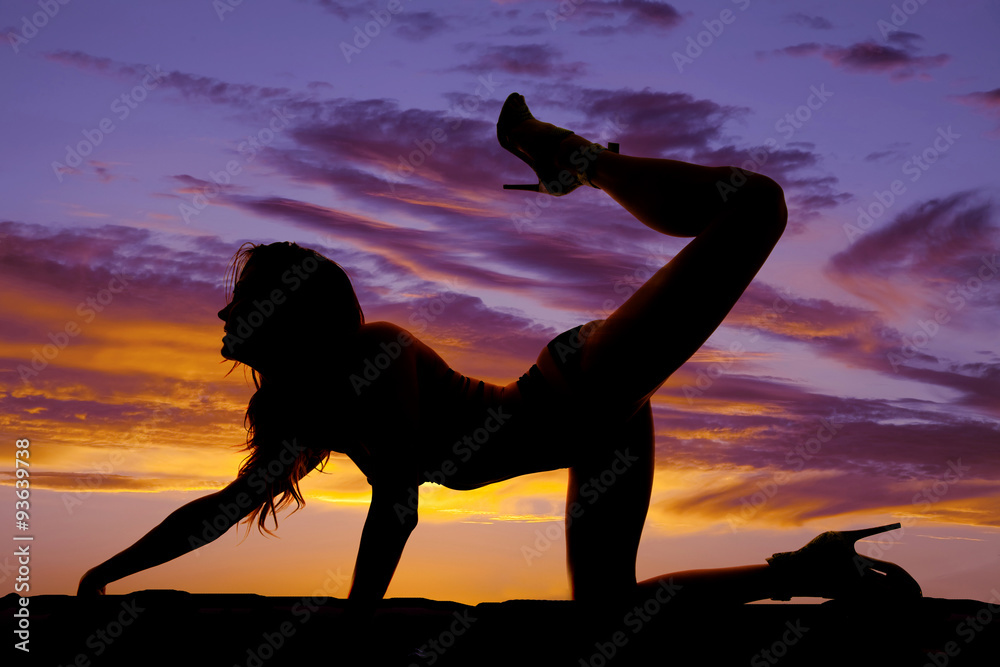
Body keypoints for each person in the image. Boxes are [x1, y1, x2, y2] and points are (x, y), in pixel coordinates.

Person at [77, 92, 920, 608]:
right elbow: (221, 508)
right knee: (610, 613)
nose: (223, 312)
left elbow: (399, 501)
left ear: (285, 315)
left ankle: (574, 159)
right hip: (595, 427)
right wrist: (103, 573)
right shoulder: (309, 405)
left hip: (577, 385)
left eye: (242, 300)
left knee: (755, 206)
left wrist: (359, 621)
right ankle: (808, 571)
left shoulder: (373, 352)